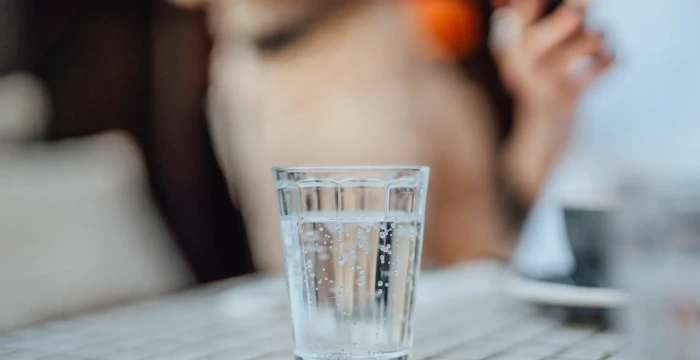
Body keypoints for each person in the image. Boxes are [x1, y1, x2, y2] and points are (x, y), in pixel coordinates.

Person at [176, 0, 612, 274]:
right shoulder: (233, 67)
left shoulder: (384, 44)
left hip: (448, 299)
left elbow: (380, 270)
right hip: (252, 46)